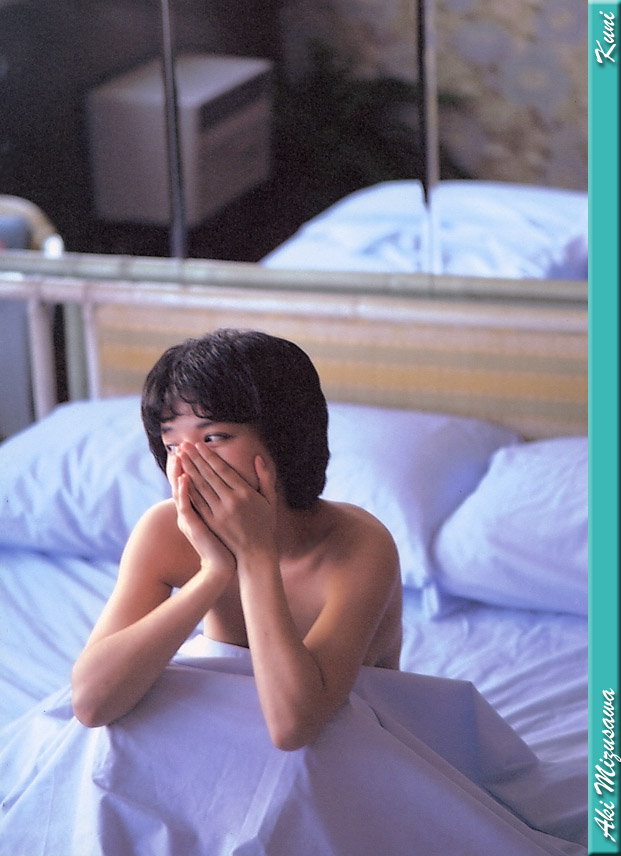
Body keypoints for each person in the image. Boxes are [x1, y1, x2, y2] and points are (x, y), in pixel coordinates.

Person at [71, 328, 402, 750]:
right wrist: (214, 573)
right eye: (172, 444)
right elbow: (90, 704)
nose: (188, 463)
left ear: (284, 440)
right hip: (221, 743)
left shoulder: (360, 545)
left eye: (213, 438)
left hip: (350, 747)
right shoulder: (165, 530)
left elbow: (293, 728)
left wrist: (255, 554)